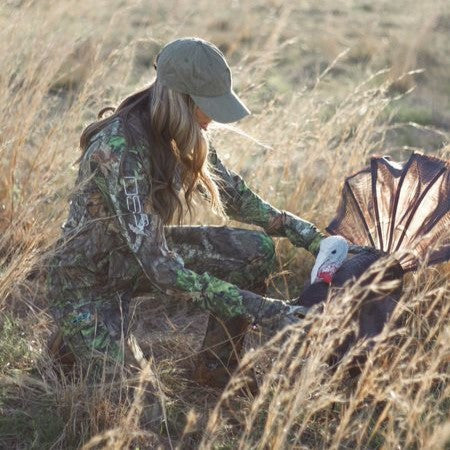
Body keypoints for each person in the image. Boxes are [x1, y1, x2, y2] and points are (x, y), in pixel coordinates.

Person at [47, 37, 324, 388]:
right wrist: (269, 311)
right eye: (207, 106)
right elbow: (163, 271)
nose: (213, 118)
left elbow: (235, 196)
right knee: (139, 398)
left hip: (136, 259)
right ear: (179, 100)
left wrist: (313, 239)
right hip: (87, 282)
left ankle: (216, 369)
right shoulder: (119, 150)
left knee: (256, 251)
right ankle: (73, 337)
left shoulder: (182, 132)